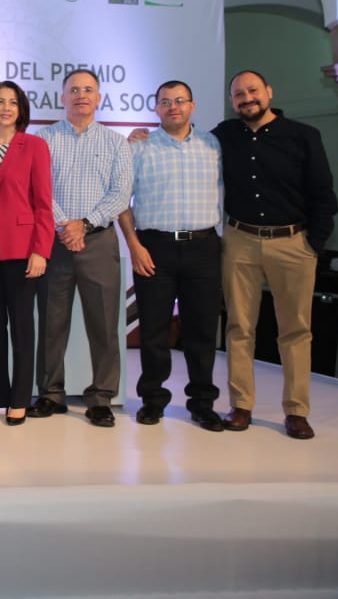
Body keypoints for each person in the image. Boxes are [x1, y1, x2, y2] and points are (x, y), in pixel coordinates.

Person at [213, 70, 336, 439]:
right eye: (239, 94)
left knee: (295, 330)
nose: (246, 98)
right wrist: (142, 137)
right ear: (232, 101)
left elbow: (323, 195)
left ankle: (296, 411)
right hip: (240, 240)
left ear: (269, 92)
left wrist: (312, 244)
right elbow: (187, 142)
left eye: (252, 90)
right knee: (239, 328)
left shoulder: (303, 136)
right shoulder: (224, 135)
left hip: (292, 243)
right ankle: (241, 405)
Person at [117, 81, 226, 432]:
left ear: (192, 106)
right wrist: (134, 245)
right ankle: (152, 399)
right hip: (154, 247)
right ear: (156, 108)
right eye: (165, 101)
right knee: (153, 329)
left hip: (203, 247)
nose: (173, 106)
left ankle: (202, 403)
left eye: (180, 100)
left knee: (201, 330)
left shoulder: (213, 145)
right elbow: (121, 202)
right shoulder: (139, 147)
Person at [32, 68, 133, 426]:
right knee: (51, 321)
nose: (81, 96)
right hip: (55, 241)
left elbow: (120, 193)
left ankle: (101, 396)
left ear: (98, 97)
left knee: (104, 323)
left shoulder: (116, 142)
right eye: (74, 90)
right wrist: (66, 225)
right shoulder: (43, 139)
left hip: (99, 241)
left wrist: (84, 224)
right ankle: (50, 393)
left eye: (88, 90)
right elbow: (39, 189)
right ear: (62, 98)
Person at [0, 81, 53, 426]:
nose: (6, 108)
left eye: (13, 102)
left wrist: (41, 251)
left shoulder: (34, 145)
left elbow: (43, 203)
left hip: (22, 250)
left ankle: (20, 399)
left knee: (21, 329)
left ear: (21, 109)